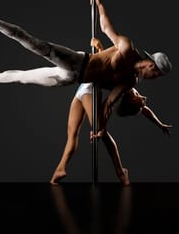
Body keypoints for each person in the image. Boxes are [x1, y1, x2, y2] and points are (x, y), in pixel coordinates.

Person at [0, 0, 172, 137]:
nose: (153, 80)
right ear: (151, 65)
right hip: (78, 61)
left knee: (23, 77)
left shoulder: (130, 81)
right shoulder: (127, 49)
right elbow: (106, 28)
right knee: (36, 45)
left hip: (72, 78)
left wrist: (102, 128)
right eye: (157, 75)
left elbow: (110, 103)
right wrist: (100, 6)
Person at [50, 38, 172, 186]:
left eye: (140, 99)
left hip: (91, 89)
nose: (143, 97)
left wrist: (101, 124)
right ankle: (61, 168)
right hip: (82, 88)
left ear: (131, 101)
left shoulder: (127, 88)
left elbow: (129, 106)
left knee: (99, 129)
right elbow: (106, 65)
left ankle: (120, 171)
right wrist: (160, 124)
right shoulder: (130, 87)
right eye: (141, 98)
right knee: (72, 132)